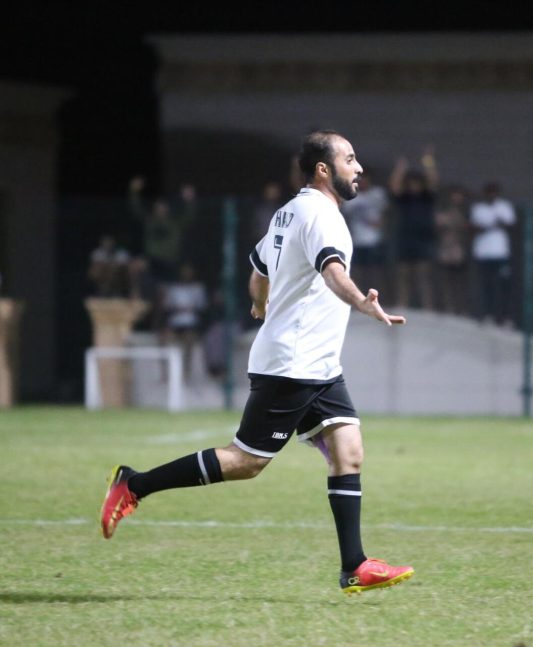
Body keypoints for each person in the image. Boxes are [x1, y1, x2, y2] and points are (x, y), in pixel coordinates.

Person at [100, 129, 414, 595]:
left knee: (348, 449)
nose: (359, 167)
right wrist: (362, 304)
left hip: (317, 364)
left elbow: (258, 273)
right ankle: (134, 484)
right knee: (246, 461)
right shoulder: (322, 217)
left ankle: (355, 566)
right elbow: (333, 272)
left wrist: (262, 305)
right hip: (292, 364)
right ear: (323, 169)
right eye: (350, 159)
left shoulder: (287, 212)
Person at [387, 145, 439, 310]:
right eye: (411, 183)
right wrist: (400, 168)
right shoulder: (404, 198)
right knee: (403, 273)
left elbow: (433, 180)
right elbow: (394, 186)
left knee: (424, 274)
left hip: (423, 237)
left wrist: (428, 161)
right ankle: (402, 303)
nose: (414, 186)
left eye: (417, 183)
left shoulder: (427, 197)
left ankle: (428, 305)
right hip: (406, 237)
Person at [128, 176, 199, 284]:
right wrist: (134, 192)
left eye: (163, 207)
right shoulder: (150, 220)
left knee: (187, 271)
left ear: (167, 209)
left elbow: (189, 217)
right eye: (158, 207)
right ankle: (136, 293)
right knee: (134, 266)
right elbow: (136, 209)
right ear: (155, 209)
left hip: (170, 259)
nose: (160, 210)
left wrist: (190, 200)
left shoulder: (175, 223)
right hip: (152, 259)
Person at [470, 181, 517, 327]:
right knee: (487, 285)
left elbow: (511, 224)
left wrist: (496, 223)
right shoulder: (478, 208)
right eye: (489, 192)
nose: (491, 195)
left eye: (494, 192)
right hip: (483, 253)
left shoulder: (504, 207)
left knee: (504, 285)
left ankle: (505, 317)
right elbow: (473, 227)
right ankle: (488, 315)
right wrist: (491, 225)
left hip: (501, 253)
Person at [340, 166, 388, 294]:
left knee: (376, 271)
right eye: (360, 179)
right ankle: (359, 297)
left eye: (365, 179)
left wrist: (381, 224)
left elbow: (385, 213)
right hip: (356, 240)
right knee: (357, 272)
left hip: (375, 239)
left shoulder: (378, 194)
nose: (363, 182)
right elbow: (345, 218)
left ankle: (380, 298)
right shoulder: (350, 197)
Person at [158, 263, 209, 383]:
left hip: (190, 324)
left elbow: (202, 307)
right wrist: (177, 308)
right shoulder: (174, 288)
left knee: (188, 342)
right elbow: (167, 306)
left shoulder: (197, 288)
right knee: (164, 339)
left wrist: (191, 309)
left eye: (189, 272)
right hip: (175, 323)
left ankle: (186, 372)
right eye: (184, 272)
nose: (186, 275)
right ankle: (166, 373)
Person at [434, 184, 471, 315]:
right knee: (446, 279)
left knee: (459, 280)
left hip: (460, 247)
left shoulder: (466, 211)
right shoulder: (444, 210)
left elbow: (465, 227)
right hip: (445, 247)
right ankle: (447, 306)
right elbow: (439, 225)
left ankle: (460, 307)